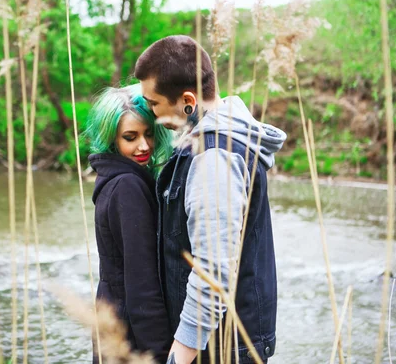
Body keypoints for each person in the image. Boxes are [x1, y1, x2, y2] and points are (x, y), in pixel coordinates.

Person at [134, 35, 287, 364]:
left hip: (223, 349)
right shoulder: (209, 141)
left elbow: (213, 272)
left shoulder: (214, 157)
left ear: (188, 100)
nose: (149, 110)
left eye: (154, 102)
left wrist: (182, 352)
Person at [85, 84, 174, 363]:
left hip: (113, 323)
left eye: (149, 134)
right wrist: (159, 352)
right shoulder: (128, 187)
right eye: (130, 137)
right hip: (131, 337)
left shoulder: (110, 178)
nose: (144, 145)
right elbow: (141, 281)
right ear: (111, 139)